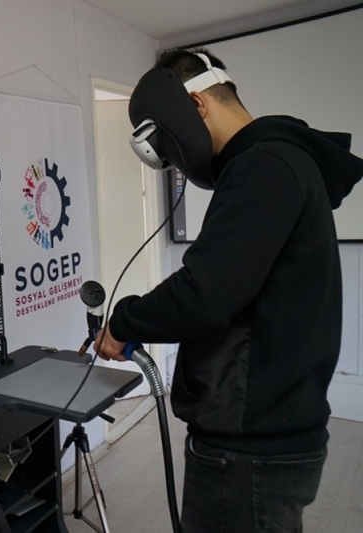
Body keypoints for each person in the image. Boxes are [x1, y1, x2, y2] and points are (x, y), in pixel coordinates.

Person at [95, 48, 363, 532]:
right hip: (266, 434)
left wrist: (125, 320)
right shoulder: (281, 162)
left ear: (197, 105)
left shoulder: (265, 167)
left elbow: (204, 293)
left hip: (248, 451)